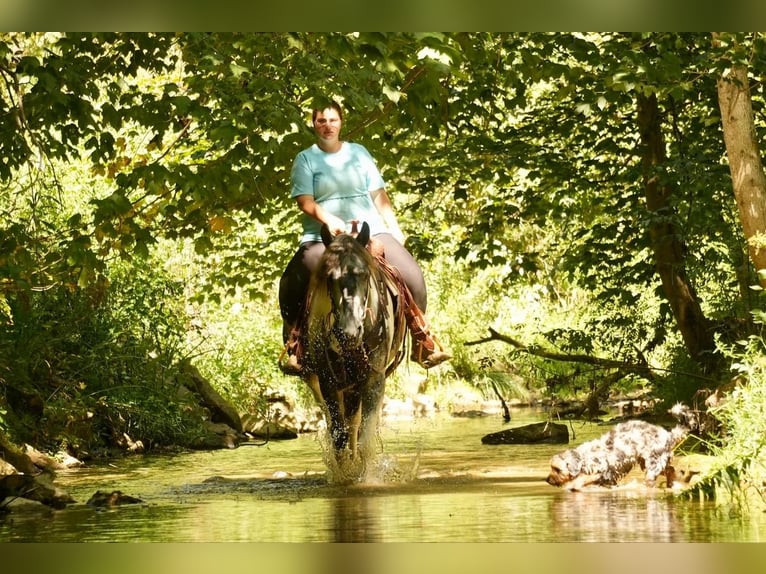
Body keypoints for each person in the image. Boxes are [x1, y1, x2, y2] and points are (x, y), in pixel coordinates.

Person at [278, 100, 451, 376]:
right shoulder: (305, 159)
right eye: (321, 121)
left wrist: (394, 229)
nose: (327, 126)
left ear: (341, 122)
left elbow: (379, 196)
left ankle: (421, 340)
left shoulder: (359, 154)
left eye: (333, 120)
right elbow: (305, 201)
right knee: (294, 279)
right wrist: (329, 220)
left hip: (370, 229)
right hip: (322, 235)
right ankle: (296, 345)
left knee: (412, 275)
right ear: (314, 124)